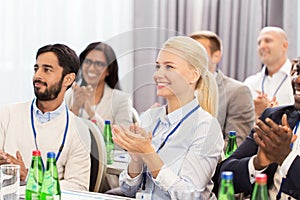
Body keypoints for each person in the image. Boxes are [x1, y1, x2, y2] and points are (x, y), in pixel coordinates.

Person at [112, 36, 224, 199]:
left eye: (169, 67)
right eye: (158, 66)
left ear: (193, 75)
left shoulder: (206, 127)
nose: (158, 74)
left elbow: (189, 195)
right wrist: (136, 159)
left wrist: (148, 153)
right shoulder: (150, 117)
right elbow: (128, 190)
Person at [0, 44, 91, 191]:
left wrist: (29, 177)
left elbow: (78, 187)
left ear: (68, 79)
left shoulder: (79, 130)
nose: (37, 76)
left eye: (47, 70)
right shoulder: (7, 114)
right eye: (36, 69)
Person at [219, 58, 300, 199]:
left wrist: (285, 157)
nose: (297, 80)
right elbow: (223, 175)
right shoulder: (274, 117)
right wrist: (258, 163)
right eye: (297, 71)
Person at [190, 31, 255, 146]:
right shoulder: (180, 89)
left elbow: (235, 145)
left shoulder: (237, 92)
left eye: (199, 52)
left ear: (216, 56)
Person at [65, 42, 133, 130]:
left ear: (109, 70)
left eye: (99, 64)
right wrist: (75, 109)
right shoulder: (70, 95)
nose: (91, 68)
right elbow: (62, 135)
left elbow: (122, 139)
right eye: (88, 62)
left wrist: (91, 112)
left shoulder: (121, 100)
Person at [244, 26, 294, 118]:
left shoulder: (296, 80)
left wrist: (269, 110)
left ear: (284, 45)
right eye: (259, 43)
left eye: (268, 41)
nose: (262, 46)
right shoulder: (250, 83)